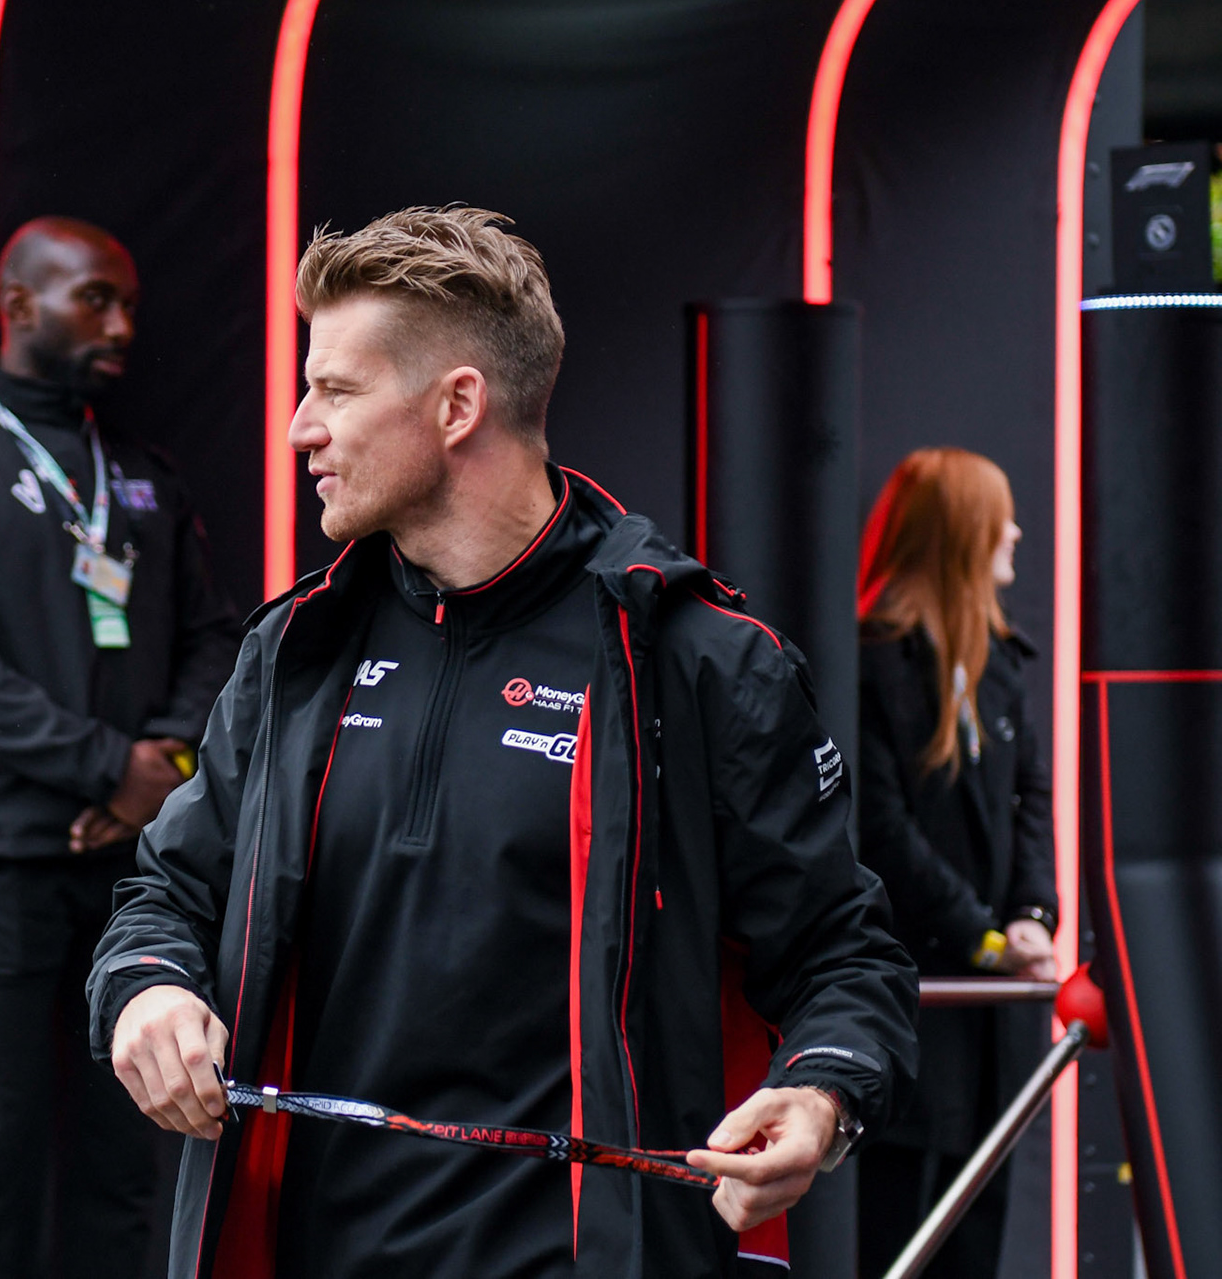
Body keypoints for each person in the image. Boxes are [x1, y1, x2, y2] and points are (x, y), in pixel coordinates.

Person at [87, 206, 917, 1278]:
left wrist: (822, 1093)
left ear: (457, 405)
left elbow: (845, 952)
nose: (301, 426)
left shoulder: (698, 656)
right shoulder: (296, 649)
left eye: (335, 390)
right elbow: (165, 893)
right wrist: (148, 988)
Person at [0, 215, 243, 1279]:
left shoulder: (141, 471)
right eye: (96, 299)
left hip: (135, 879)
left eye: (128, 303)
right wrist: (102, 764)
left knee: (128, 1164)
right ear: (19, 304)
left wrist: (160, 769)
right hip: (0, 869)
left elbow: (215, 633)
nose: (122, 323)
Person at [853, 448, 1057, 1278]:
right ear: (960, 534)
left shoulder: (1002, 665)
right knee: (894, 1230)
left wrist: (1031, 919)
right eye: (998, 516)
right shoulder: (868, 660)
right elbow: (882, 829)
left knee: (980, 1231)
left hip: (993, 1026)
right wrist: (983, 939)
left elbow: (1032, 802)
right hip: (913, 1009)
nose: (1015, 532)